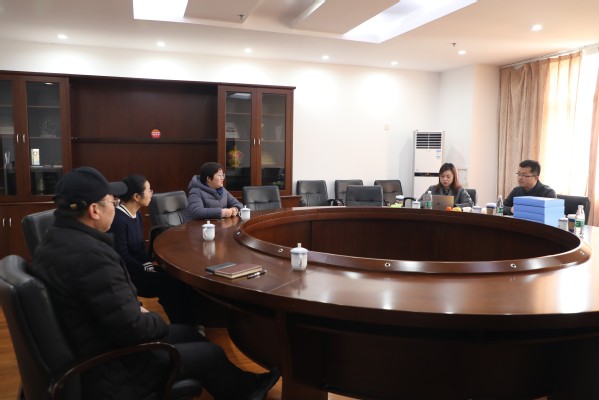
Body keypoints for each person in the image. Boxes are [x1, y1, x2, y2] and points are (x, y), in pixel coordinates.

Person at [30, 166, 280, 400]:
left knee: (189, 333)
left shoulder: (53, 241)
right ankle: (247, 392)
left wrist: (137, 312)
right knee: (211, 353)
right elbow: (134, 328)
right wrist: (149, 316)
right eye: (112, 202)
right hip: (115, 366)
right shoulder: (92, 258)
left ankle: (240, 385)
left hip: (100, 344)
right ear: (94, 210)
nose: (115, 207)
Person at [108, 173, 196, 325]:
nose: (151, 194)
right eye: (149, 190)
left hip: (140, 268)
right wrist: (144, 268)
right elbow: (122, 256)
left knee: (178, 278)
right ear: (136, 197)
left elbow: (140, 246)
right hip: (129, 275)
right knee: (169, 284)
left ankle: (189, 322)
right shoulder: (118, 220)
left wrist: (148, 264)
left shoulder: (137, 215)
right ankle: (184, 326)